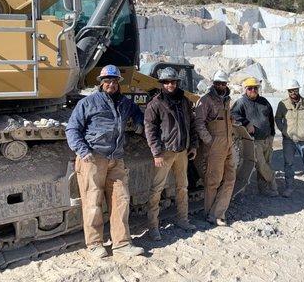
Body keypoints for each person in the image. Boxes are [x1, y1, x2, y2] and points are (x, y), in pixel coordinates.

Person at [66, 65, 145, 258]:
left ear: (119, 83)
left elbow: (137, 113)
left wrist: (140, 122)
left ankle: (122, 244)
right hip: (93, 158)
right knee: (93, 201)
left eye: (114, 81)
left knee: (121, 200)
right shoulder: (88, 102)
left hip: (115, 158)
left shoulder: (124, 103)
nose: (111, 84)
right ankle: (94, 244)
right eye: (107, 81)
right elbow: (72, 129)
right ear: (101, 83)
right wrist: (83, 151)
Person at [144, 67, 198, 241]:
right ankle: (153, 226)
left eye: (173, 82)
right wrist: (156, 152)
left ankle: (183, 219)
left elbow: (192, 124)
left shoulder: (184, 101)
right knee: (156, 189)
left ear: (177, 83)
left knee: (182, 187)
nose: (170, 85)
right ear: (162, 84)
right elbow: (150, 129)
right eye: (166, 82)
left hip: (182, 151)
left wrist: (194, 145)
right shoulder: (156, 103)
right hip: (165, 152)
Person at [194, 70, 236, 226]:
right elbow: (199, 123)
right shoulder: (205, 100)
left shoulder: (227, 100)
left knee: (230, 178)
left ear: (226, 84)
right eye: (218, 83)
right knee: (213, 181)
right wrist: (209, 141)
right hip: (215, 145)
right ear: (213, 84)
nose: (220, 86)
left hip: (228, 142)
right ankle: (211, 215)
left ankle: (216, 212)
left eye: (223, 83)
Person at [275, 80, 304, 201]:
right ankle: (289, 188)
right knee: (288, 165)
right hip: (288, 140)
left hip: (303, 140)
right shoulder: (283, 104)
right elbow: (278, 118)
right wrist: (283, 131)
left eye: (295, 90)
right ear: (288, 91)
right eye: (290, 91)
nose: (293, 93)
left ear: (298, 90)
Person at [231, 77, 278, 197]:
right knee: (260, 164)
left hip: (267, 139)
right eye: (250, 88)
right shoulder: (241, 102)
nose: (253, 90)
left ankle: (263, 188)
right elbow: (233, 114)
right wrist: (246, 123)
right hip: (253, 140)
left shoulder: (264, 101)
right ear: (245, 89)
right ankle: (272, 178)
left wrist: (272, 134)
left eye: (255, 88)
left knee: (266, 163)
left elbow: (270, 118)